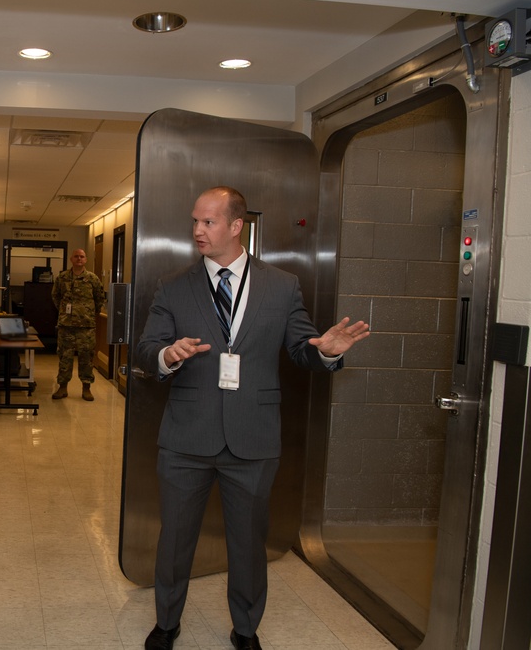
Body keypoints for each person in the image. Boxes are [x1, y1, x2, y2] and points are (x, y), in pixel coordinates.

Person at [137, 186, 370, 650]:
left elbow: (302, 347)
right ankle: (167, 622)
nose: (198, 230)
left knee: (248, 543)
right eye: (195, 221)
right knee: (175, 539)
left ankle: (245, 629)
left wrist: (325, 353)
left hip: (253, 437)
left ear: (237, 225)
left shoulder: (281, 285)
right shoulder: (174, 285)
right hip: (187, 436)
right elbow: (148, 349)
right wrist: (168, 354)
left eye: (209, 222)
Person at [51, 248, 106, 401]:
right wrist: (64, 311)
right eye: (76, 256)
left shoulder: (93, 279)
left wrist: (87, 313)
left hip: (86, 327)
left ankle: (86, 388)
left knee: (86, 358)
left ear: (86, 259)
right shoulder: (62, 278)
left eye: (82, 257)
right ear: (71, 259)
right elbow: (55, 296)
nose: (79, 259)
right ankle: (62, 388)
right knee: (64, 357)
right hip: (66, 326)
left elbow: (99, 299)